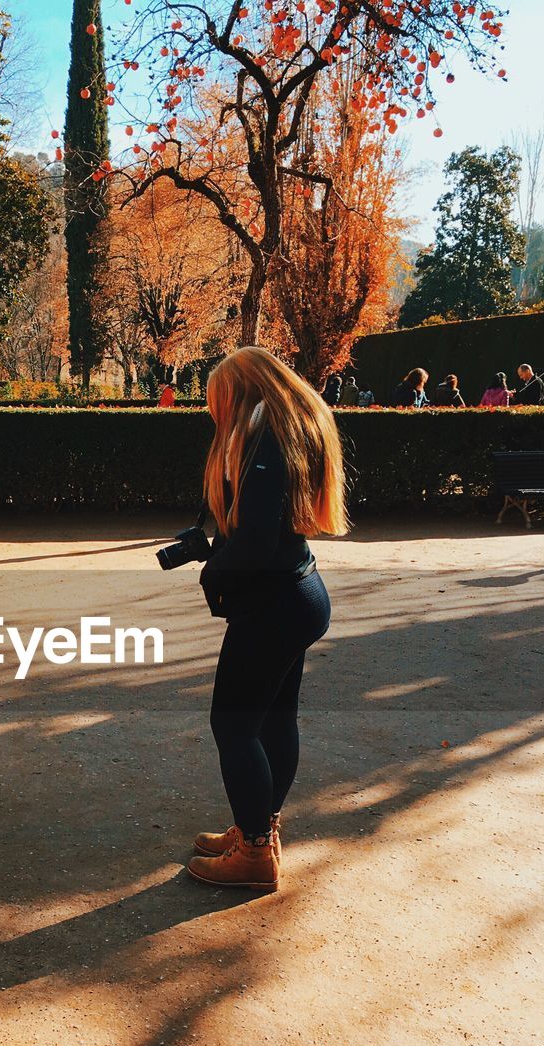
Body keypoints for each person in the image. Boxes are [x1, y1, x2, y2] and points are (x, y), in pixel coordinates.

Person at [188, 347, 348, 891]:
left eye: (218, 399)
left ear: (242, 391)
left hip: (273, 605)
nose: (214, 411)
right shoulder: (287, 430)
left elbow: (254, 539)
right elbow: (268, 532)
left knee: (232, 725)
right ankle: (258, 830)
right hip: (299, 592)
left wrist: (215, 571)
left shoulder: (260, 439)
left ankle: (254, 854)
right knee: (274, 721)